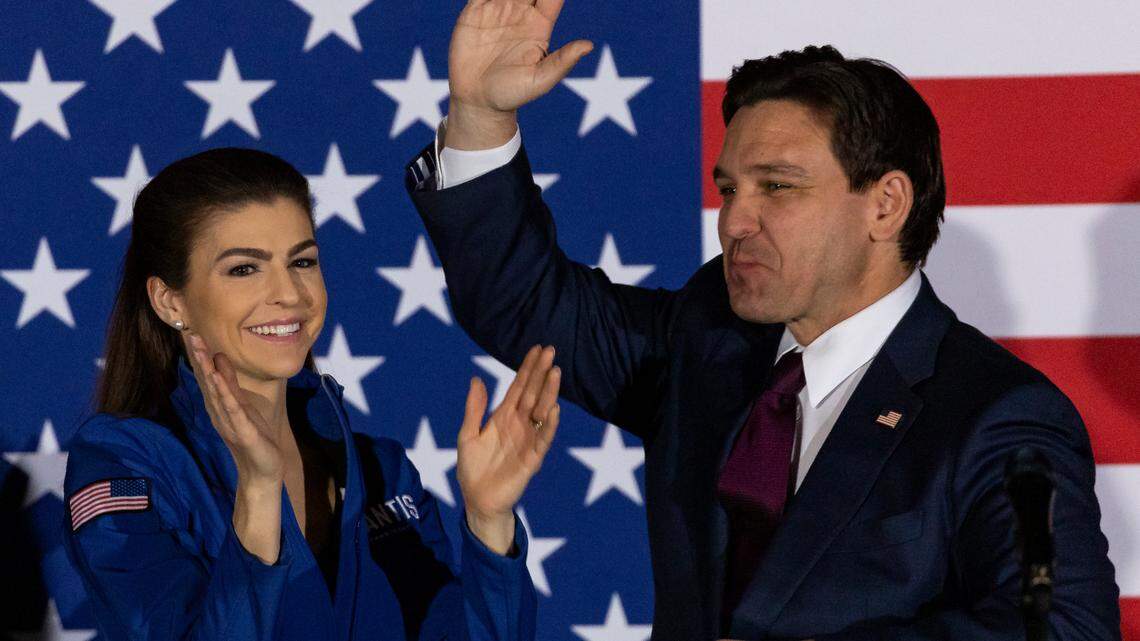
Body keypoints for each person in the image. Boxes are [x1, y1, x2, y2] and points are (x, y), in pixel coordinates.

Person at [403, 1, 1121, 639]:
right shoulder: (707, 339)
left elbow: (1063, 624)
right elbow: (524, 302)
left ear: (885, 204)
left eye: (777, 186)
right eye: (728, 187)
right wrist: (480, 117)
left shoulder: (995, 414)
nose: (735, 220)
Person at [62, 147, 563, 641]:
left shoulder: (380, 472)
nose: (290, 294)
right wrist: (259, 492)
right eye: (244, 268)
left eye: (302, 262)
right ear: (171, 301)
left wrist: (488, 521)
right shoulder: (123, 463)